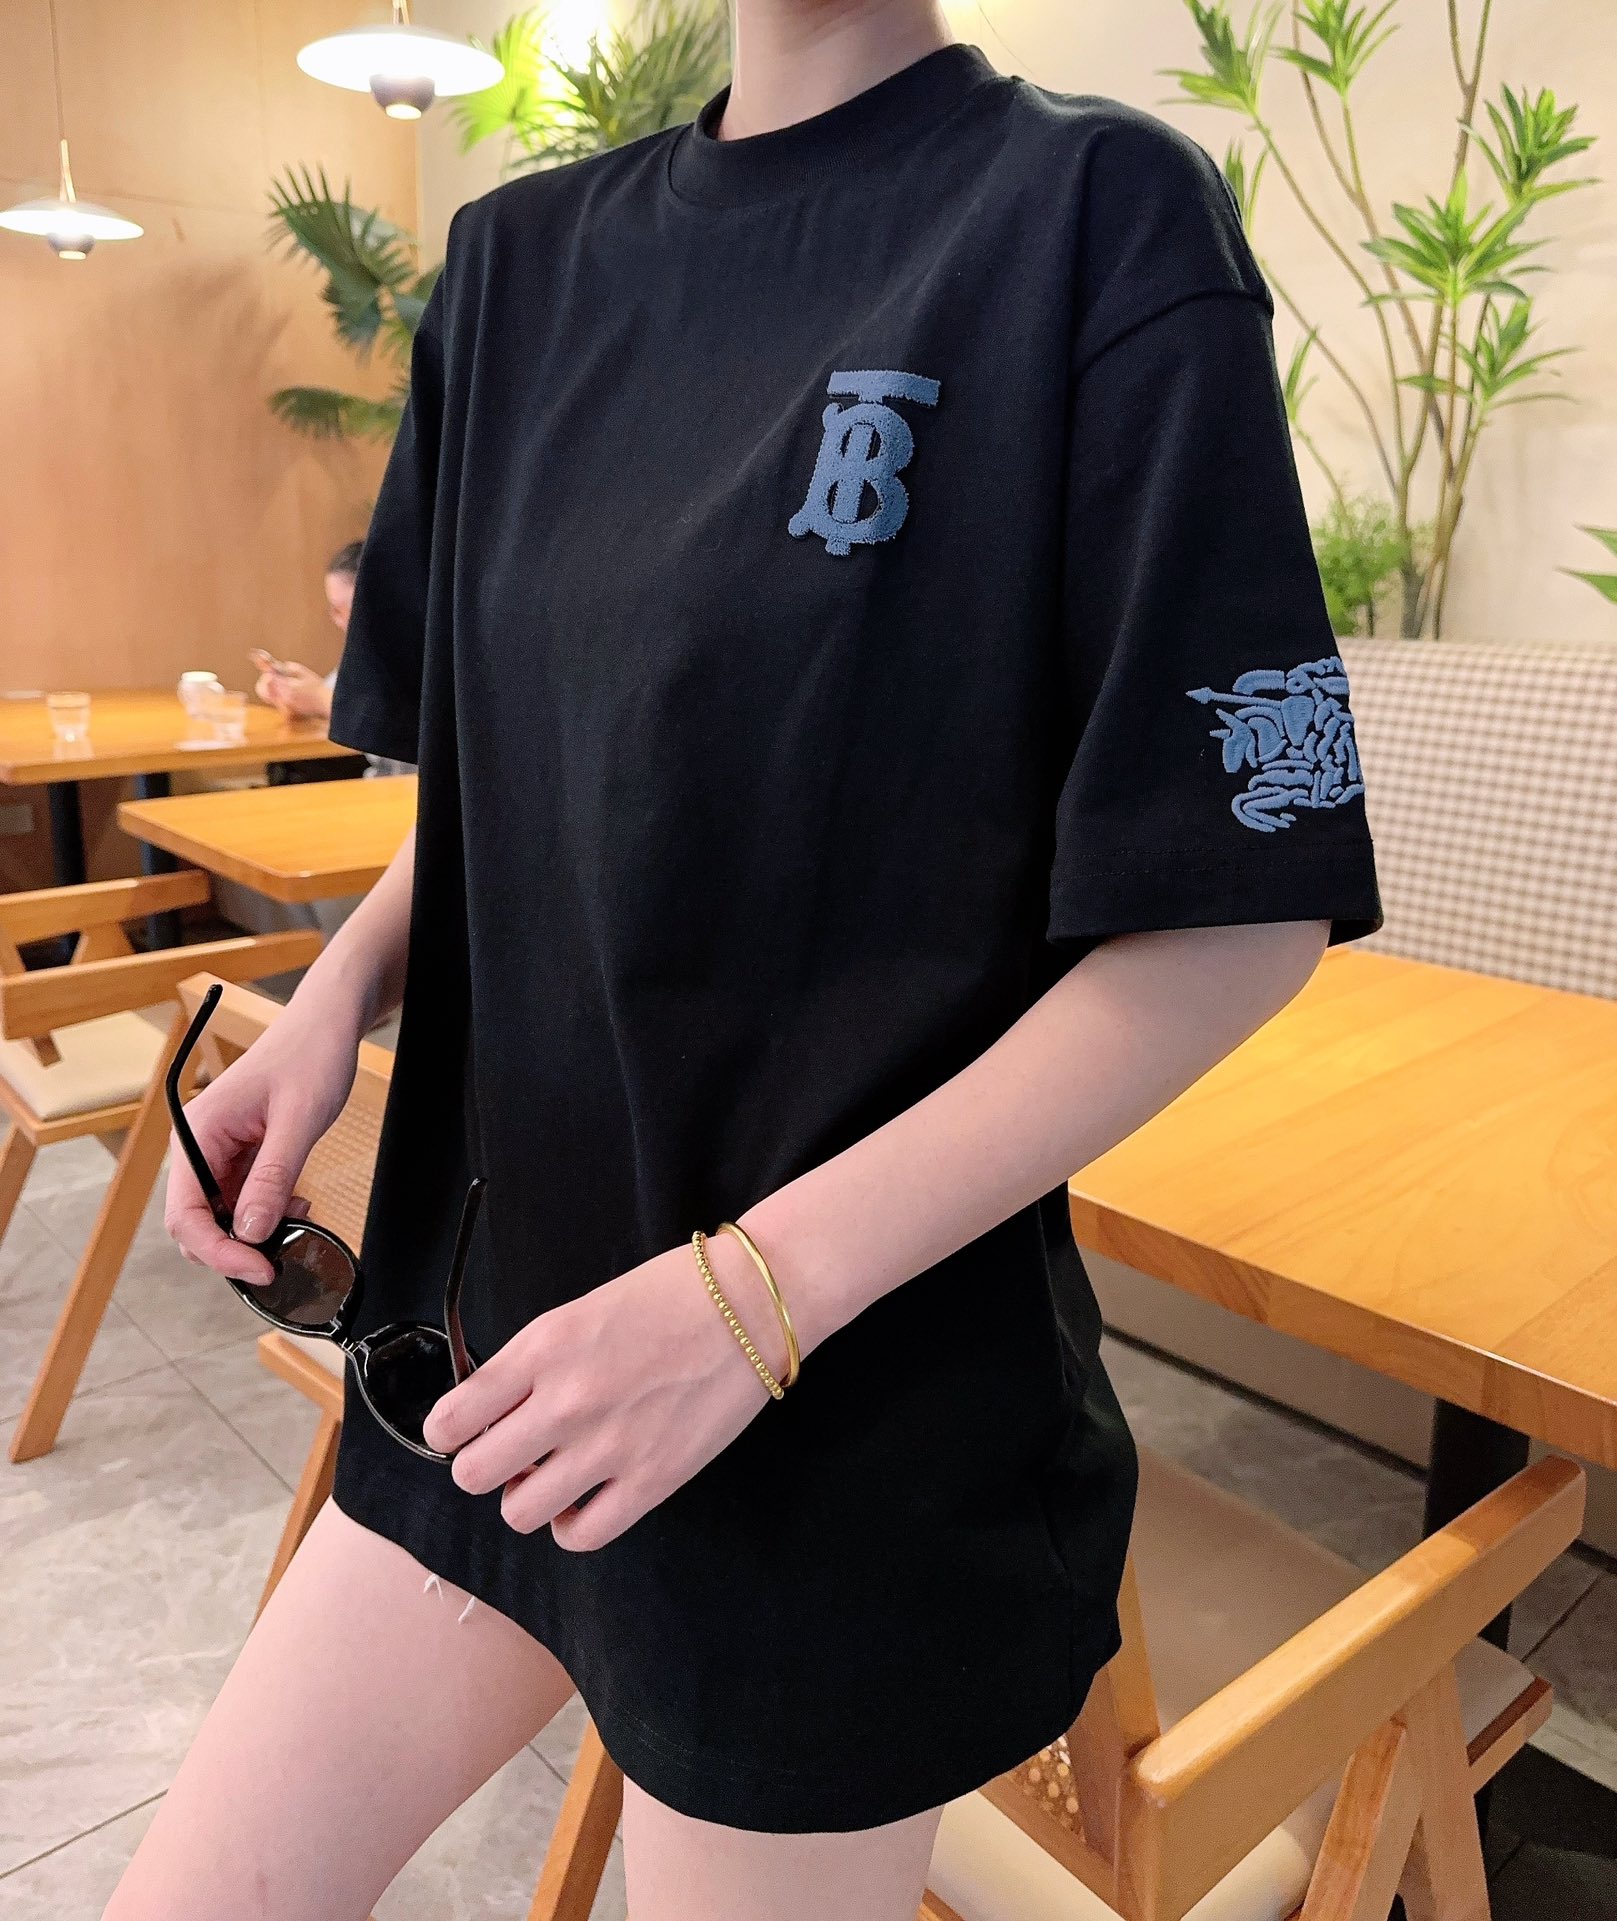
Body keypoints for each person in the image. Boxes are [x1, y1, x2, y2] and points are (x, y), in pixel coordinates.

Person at [109, 4, 1381, 1918]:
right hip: (489, 1358)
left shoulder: (1094, 216)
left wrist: (747, 1302)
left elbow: (1239, 903)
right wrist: (337, 997)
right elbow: (512, 773)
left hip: (836, 1441)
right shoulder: (513, 266)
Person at [252, 538, 363, 726]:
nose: (337, 620)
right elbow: (331, 704)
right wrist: (291, 694)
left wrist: (320, 698)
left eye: (345, 609)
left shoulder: (409, 651)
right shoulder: (358, 654)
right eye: (334, 610)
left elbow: (395, 729)